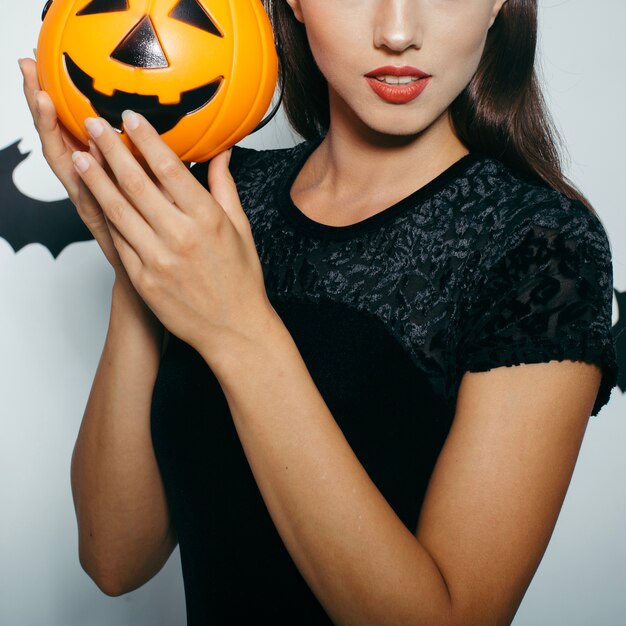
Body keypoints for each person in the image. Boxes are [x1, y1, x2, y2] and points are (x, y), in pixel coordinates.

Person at [19, 0, 619, 624]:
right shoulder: (218, 198)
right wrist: (134, 249)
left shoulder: (541, 245)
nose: (397, 33)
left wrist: (240, 331)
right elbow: (115, 559)